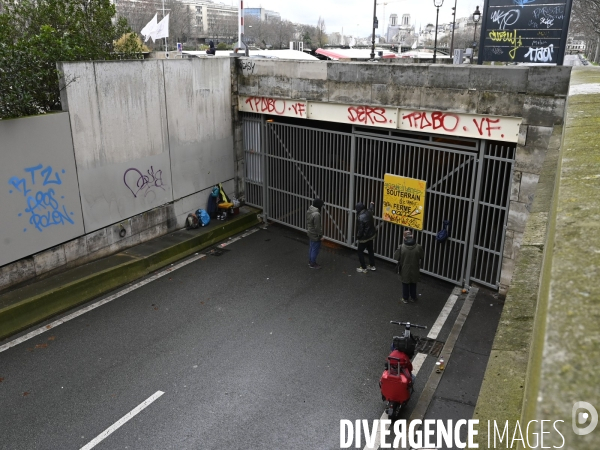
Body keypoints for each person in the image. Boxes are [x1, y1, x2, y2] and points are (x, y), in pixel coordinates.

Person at [394, 230, 425, 304]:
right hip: (415, 268)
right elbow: (422, 256)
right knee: (413, 283)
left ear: (404, 238)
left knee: (405, 283)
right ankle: (413, 297)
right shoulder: (418, 247)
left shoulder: (401, 247)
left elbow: (396, 257)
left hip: (404, 268)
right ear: (412, 236)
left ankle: (405, 298)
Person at [355, 202, 377, 273]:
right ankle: (372, 266)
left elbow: (360, 229)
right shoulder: (369, 212)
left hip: (364, 238)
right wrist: (371, 205)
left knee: (360, 251)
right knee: (370, 250)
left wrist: (358, 237)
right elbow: (371, 210)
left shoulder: (360, 217)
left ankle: (363, 267)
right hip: (371, 235)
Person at [306, 198, 324, 269]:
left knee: (311, 248)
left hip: (310, 232)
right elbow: (317, 227)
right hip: (315, 234)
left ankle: (310, 261)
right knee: (315, 249)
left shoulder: (310, 210)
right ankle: (313, 263)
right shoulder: (316, 214)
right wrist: (320, 236)